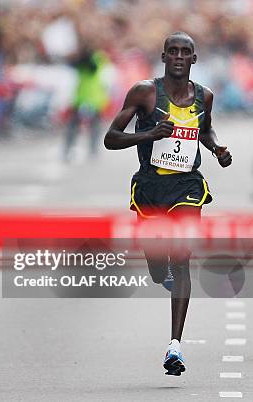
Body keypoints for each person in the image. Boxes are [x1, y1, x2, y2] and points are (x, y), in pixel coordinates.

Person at [103, 32, 232, 376]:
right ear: (163, 57)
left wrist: (217, 149)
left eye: (184, 52)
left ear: (194, 59)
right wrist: (149, 134)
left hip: (187, 186)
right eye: (172, 51)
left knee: (182, 257)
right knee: (160, 267)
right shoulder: (145, 92)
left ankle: (175, 345)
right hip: (149, 188)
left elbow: (205, 131)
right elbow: (110, 139)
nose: (178, 56)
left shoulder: (204, 96)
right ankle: (161, 272)